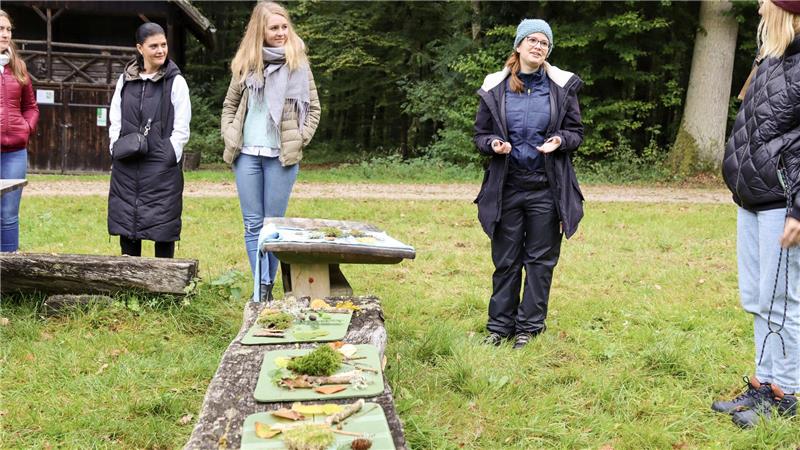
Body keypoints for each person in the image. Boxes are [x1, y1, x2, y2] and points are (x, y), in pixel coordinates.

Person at [473, 19, 584, 349]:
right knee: (506, 260)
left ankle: (529, 329)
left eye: (544, 43)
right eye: (532, 40)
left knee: (539, 261)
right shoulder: (496, 88)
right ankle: (499, 327)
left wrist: (559, 140)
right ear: (519, 46)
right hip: (507, 188)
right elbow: (480, 134)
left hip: (546, 190)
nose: (538, 46)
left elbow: (576, 133)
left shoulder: (561, 88)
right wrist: (493, 144)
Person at [715, 0, 800, 428]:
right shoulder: (769, 58)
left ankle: (787, 392)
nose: (759, 8)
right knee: (757, 297)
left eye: (766, 3)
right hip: (752, 197)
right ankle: (764, 383)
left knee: (782, 300)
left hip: (784, 202)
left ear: (784, 10)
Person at [221, 1, 321, 302]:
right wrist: (229, 134)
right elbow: (229, 105)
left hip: (281, 156)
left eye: (283, 27)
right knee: (252, 224)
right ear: (259, 31)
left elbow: (313, 108)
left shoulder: (298, 65)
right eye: (273, 28)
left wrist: (300, 138)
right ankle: (261, 289)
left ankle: (265, 285)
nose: (280, 33)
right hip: (247, 154)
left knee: (272, 226)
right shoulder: (246, 65)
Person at [107, 22, 191, 258]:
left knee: (162, 225)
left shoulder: (176, 82)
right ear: (140, 48)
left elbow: (182, 127)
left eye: (163, 45)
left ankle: (164, 285)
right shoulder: (125, 80)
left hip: (161, 166)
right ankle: (130, 282)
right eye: (153, 46)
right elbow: (116, 117)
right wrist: (115, 146)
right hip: (127, 162)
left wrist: (169, 154)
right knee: (128, 222)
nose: (160, 50)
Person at [0, 9, 39, 253]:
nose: (5, 34)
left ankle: (8, 271)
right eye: (0, 29)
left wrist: (25, 128)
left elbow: (31, 107)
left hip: (15, 151)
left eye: (7, 29)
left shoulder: (19, 67)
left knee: (8, 214)